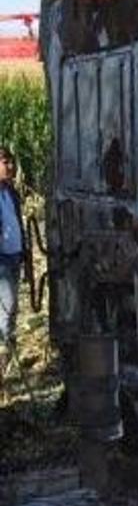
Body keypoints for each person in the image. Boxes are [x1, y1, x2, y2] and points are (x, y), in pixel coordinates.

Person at [0, 147, 26, 369]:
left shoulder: (11, 193)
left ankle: (7, 360)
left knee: (12, 309)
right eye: (5, 162)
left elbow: (17, 224)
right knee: (6, 311)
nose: (11, 167)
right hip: (1, 262)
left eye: (11, 162)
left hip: (14, 258)